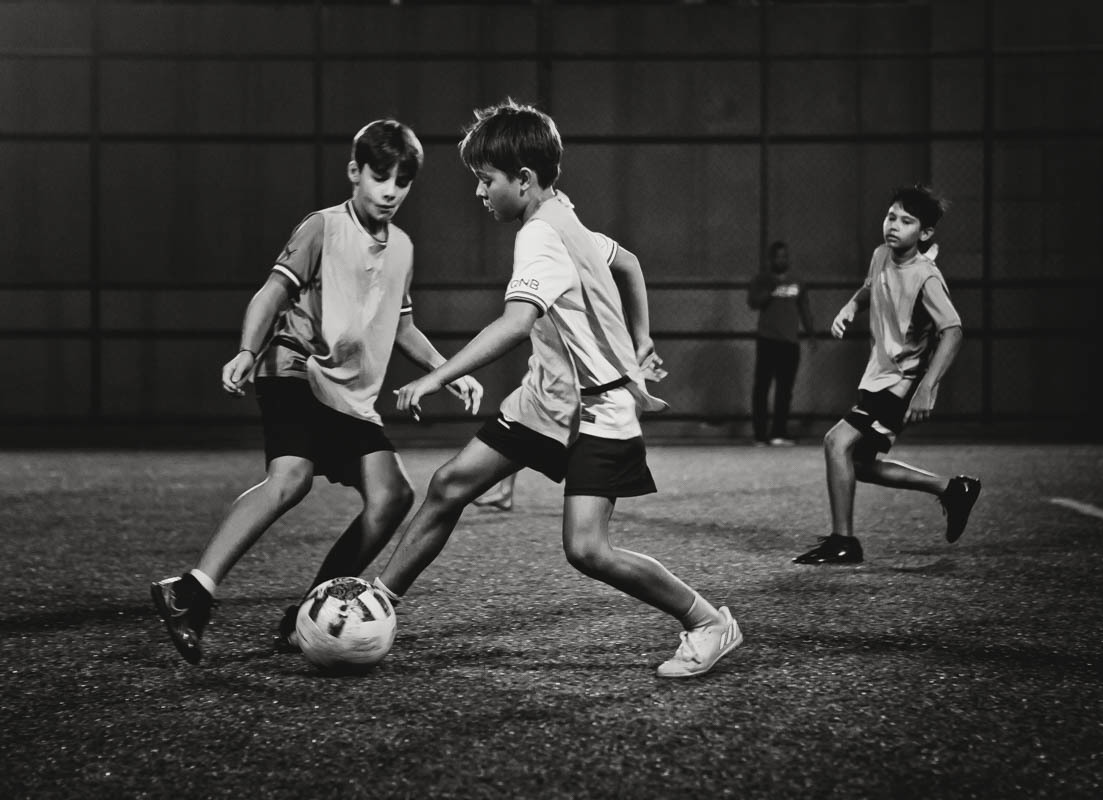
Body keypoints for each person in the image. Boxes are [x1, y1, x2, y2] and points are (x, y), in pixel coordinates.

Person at [369, 100, 742, 679]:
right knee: (449, 485)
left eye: (485, 180)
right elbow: (630, 262)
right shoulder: (565, 217)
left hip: (599, 409)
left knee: (587, 550)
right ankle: (378, 603)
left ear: (523, 179)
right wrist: (641, 338)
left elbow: (516, 323)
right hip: (549, 404)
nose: (479, 193)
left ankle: (708, 622)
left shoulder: (540, 234)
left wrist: (435, 376)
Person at [150, 119, 483, 665]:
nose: (390, 190)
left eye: (403, 180)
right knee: (292, 477)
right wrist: (244, 350)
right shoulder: (322, 228)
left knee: (392, 495)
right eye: (380, 176)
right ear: (355, 173)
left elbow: (401, 326)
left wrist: (447, 370)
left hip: (350, 396)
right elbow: (269, 293)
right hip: (295, 370)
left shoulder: (401, 248)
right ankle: (191, 592)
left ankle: (307, 614)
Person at [793, 184, 980, 565]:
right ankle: (953, 489)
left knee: (836, 443)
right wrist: (849, 307)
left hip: (900, 384)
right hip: (877, 379)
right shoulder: (881, 255)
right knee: (858, 465)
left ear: (925, 233)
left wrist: (928, 387)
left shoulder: (925, 277)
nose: (894, 225)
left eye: (906, 221)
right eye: (891, 216)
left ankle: (843, 542)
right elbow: (869, 289)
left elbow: (954, 331)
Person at [746, 241, 815, 446]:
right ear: (771, 259)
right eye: (778, 257)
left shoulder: (797, 281)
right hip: (768, 340)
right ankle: (760, 435)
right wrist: (770, 288)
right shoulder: (762, 279)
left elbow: (804, 308)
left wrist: (811, 333)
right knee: (762, 388)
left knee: (785, 389)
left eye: (784, 256)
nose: (781, 260)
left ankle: (779, 433)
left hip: (789, 342)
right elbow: (753, 302)